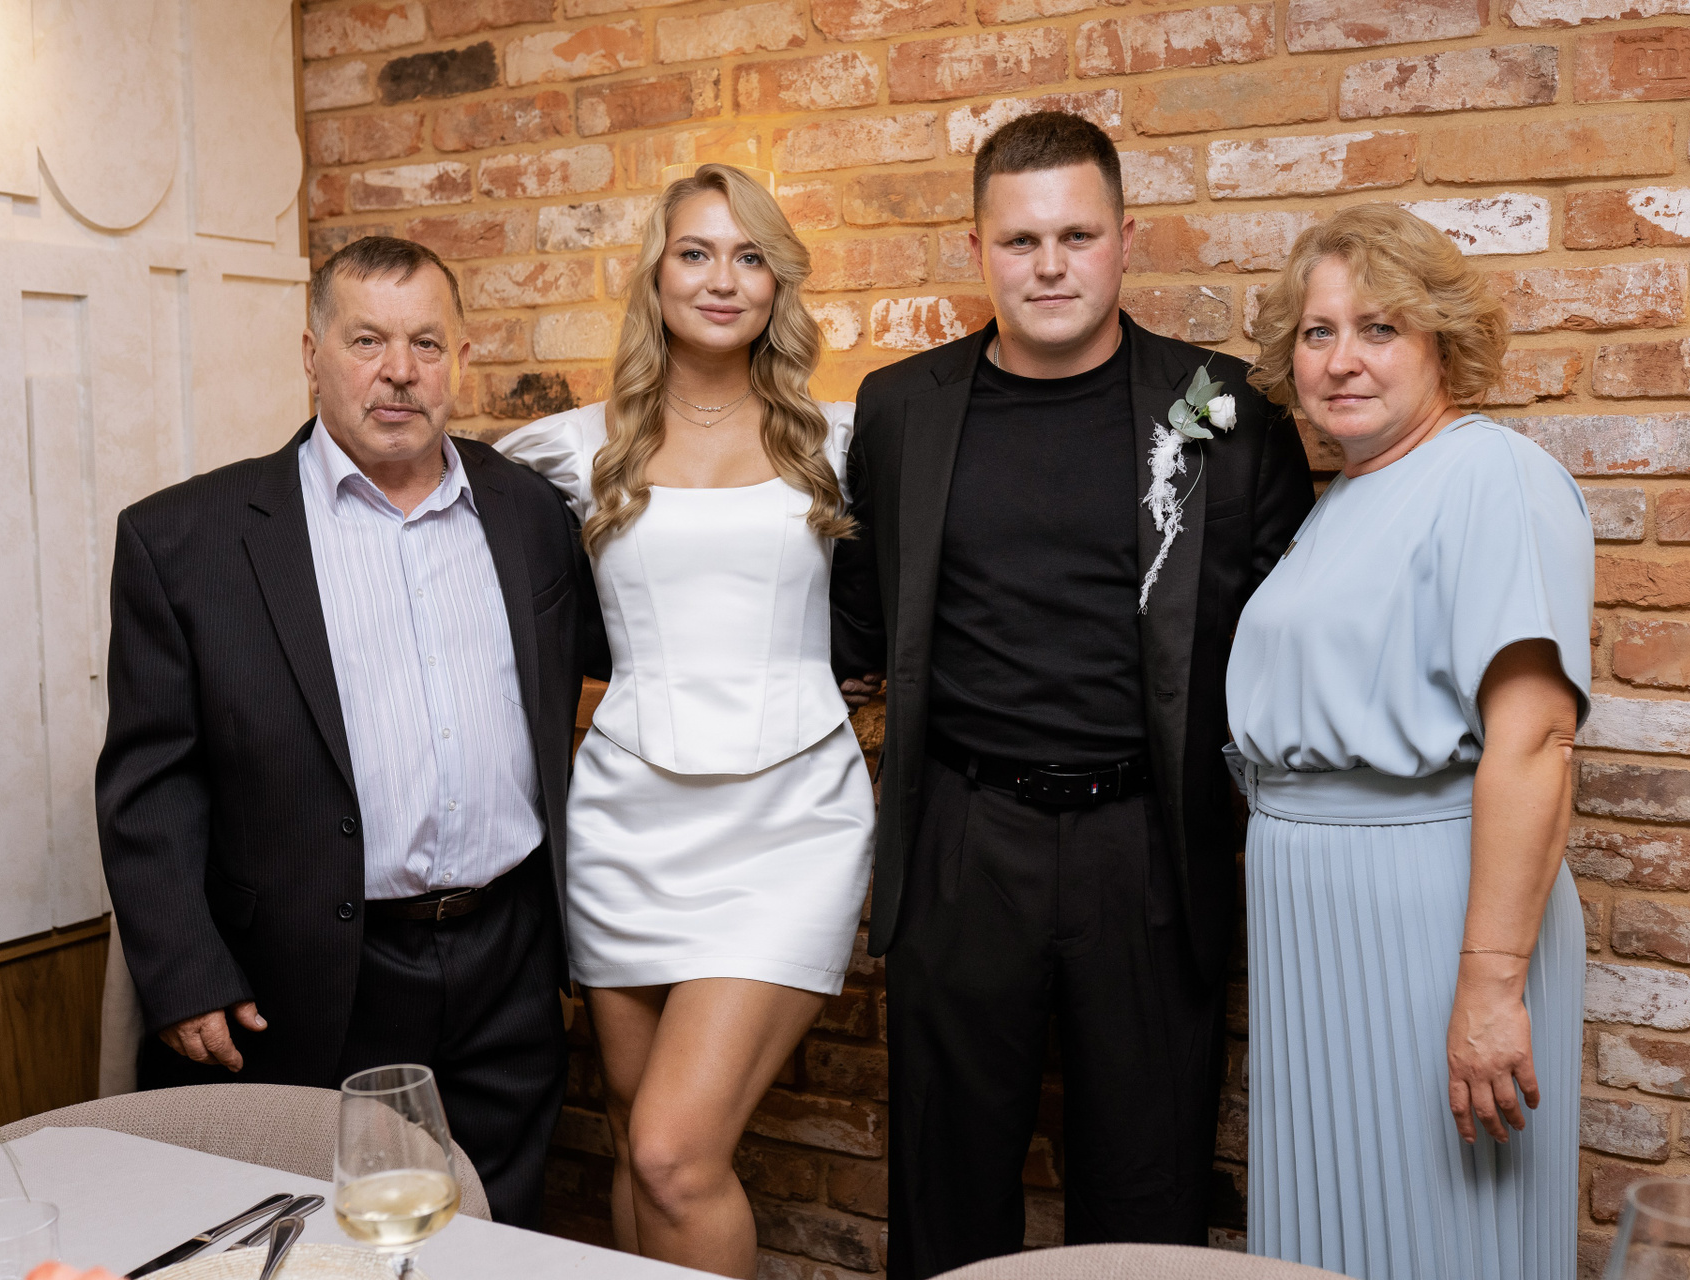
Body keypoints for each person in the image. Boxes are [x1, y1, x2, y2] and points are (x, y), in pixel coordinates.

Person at [830, 112, 1316, 1276]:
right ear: (978, 249)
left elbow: (1299, 629)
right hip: (963, 838)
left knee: (1146, 1196)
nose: (1050, 265)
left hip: (1148, 844)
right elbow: (854, 626)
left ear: (1125, 240)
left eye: (1078, 235)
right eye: (1021, 240)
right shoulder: (902, 409)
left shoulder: (1222, 410)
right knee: (948, 1187)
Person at [95, 236, 601, 1228]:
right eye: (367, 340)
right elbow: (149, 781)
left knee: (505, 1233)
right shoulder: (185, 539)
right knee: (325, 1243)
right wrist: (183, 969)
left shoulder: (530, 513)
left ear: (462, 359)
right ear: (312, 354)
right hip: (308, 971)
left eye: (425, 343)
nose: (398, 370)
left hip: (508, 956)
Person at [492, 164, 874, 1278]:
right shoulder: (576, 447)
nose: (722, 279)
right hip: (626, 819)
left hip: (791, 821)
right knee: (631, 1129)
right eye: (696, 253)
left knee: (674, 1149)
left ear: (778, 282)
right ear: (656, 275)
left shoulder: (841, 440)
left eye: (749, 257)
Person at [1225, 202, 1592, 1278]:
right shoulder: (1344, 497)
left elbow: (1536, 737)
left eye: (1379, 328)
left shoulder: (1492, 475)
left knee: (1442, 1236)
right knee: (1328, 1231)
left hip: (1430, 918)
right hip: (1315, 930)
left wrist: (1489, 986)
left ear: (1442, 341)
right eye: (1318, 332)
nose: (1342, 359)